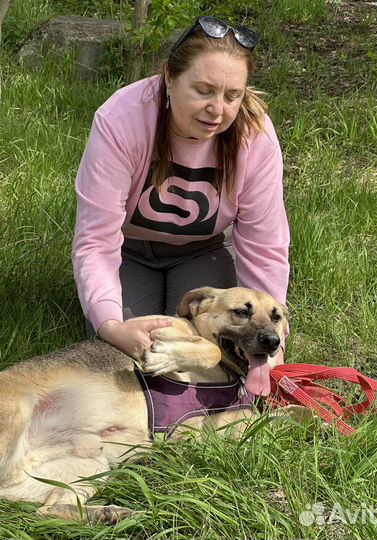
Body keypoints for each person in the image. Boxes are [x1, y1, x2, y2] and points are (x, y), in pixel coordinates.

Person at [72, 16, 290, 365]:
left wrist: (273, 332)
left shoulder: (255, 134)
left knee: (215, 351)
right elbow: (96, 241)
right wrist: (110, 323)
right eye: (203, 91)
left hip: (202, 251)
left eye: (233, 95)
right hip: (127, 251)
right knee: (135, 355)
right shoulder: (120, 119)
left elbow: (265, 244)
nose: (218, 110)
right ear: (169, 78)